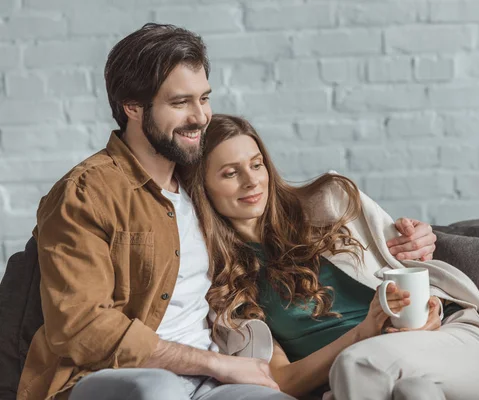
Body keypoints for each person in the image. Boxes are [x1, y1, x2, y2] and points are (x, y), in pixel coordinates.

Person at [17, 24, 299, 400]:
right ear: (133, 107)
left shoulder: (201, 181)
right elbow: (81, 328)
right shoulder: (86, 194)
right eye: (180, 103)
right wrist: (212, 363)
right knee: (157, 390)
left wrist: (391, 243)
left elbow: (281, 212)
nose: (200, 117)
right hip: (110, 377)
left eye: (204, 98)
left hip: (210, 381)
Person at [181, 114, 479, 400]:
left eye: (257, 165)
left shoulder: (329, 202)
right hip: (384, 377)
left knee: (356, 364)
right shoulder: (220, 281)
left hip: (453, 341)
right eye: (230, 173)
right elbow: (281, 380)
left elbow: (409, 260)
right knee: (414, 392)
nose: (252, 180)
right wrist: (362, 333)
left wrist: (420, 252)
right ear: (202, 186)